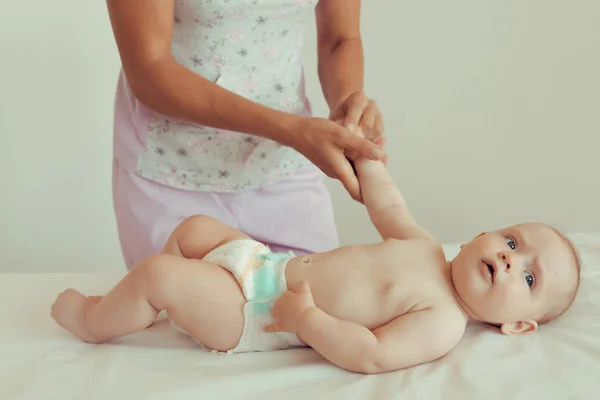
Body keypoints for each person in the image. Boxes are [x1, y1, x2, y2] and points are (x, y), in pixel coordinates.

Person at [50, 132, 581, 374]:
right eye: (512, 242)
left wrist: (305, 320)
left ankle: (95, 320)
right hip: (263, 264)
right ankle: (158, 311)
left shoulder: (441, 320)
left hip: (258, 313)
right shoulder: (425, 247)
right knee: (192, 230)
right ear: (481, 236)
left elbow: (372, 355)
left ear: (518, 326)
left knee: (158, 273)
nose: (512, 259)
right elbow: (388, 205)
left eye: (529, 279)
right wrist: (365, 157)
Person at [106, 0, 386, 269]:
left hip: (283, 169)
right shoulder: (294, 133)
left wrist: (346, 104)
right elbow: (148, 69)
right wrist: (291, 130)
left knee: (316, 307)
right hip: (173, 174)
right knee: (182, 312)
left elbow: (342, 37)